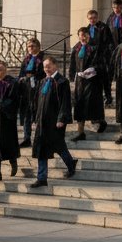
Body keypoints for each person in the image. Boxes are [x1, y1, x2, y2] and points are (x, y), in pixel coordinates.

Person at [31, 56, 78, 188]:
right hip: (42, 121)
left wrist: (62, 119)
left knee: (59, 146)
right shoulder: (42, 82)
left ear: (55, 66)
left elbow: (65, 102)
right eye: (45, 66)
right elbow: (37, 102)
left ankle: (70, 164)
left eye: (49, 66)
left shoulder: (62, 82)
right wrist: (35, 118)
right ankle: (42, 178)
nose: (46, 69)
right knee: (41, 149)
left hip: (55, 121)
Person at [70, 27, 108, 140]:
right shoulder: (76, 48)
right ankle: (81, 132)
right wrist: (72, 76)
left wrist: (93, 69)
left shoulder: (95, 47)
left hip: (93, 81)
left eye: (86, 34)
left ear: (89, 35)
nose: (84, 37)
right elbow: (72, 64)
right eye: (81, 35)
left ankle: (101, 121)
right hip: (80, 81)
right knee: (79, 105)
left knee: (93, 104)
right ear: (79, 36)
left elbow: (101, 63)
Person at [16, 38, 45, 147]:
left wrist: (34, 78)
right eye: (28, 46)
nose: (30, 48)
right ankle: (26, 138)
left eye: (32, 46)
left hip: (38, 88)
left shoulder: (42, 58)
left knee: (37, 112)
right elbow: (21, 73)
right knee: (27, 113)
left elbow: (44, 73)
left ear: (38, 47)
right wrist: (22, 78)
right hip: (26, 89)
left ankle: (39, 137)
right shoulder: (26, 59)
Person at [84, 9, 114, 105]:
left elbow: (108, 42)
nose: (92, 20)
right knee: (94, 80)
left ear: (97, 18)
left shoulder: (103, 28)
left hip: (102, 58)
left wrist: (105, 55)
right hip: (91, 59)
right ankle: (96, 98)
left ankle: (108, 97)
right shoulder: (86, 29)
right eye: (90, 18)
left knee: (105, 79)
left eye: (94, 18)